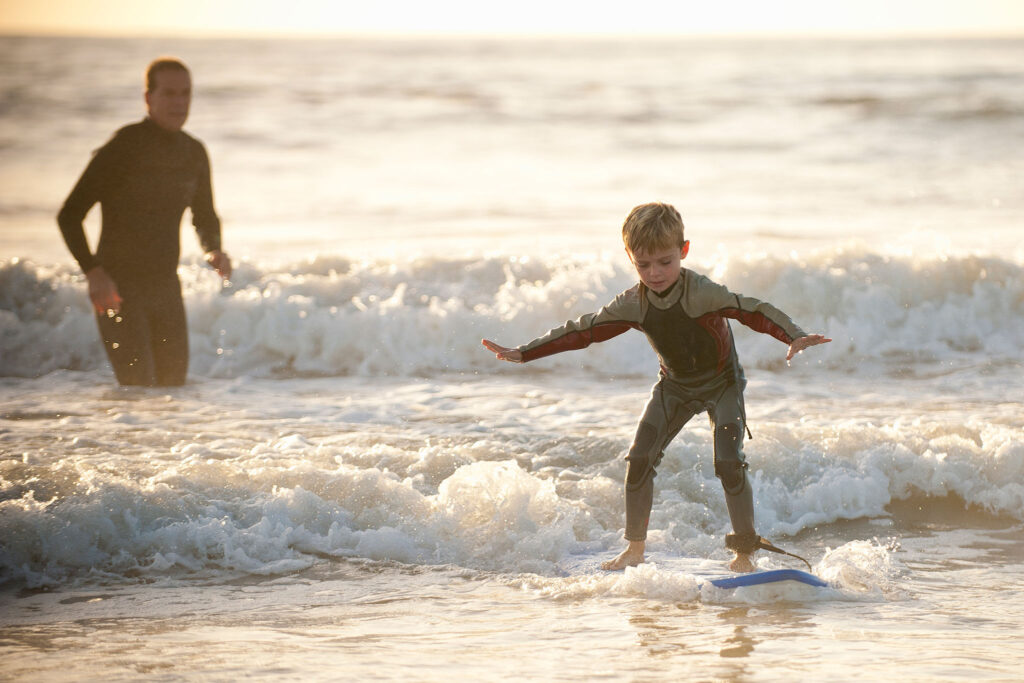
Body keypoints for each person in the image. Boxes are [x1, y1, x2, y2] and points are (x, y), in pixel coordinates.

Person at [482, 202, 830, 572]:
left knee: (728, 462)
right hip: (674, 387)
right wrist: (525, 353)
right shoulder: (634, 303)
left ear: (684, 251)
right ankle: (635, 549)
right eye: (643, 265)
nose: (655, 273)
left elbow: (753, 310)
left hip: (722, 384)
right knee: (639, 459)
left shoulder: (702, 292)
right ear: (630, 259)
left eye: (665, 261)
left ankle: (744, 554)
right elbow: (584, 330)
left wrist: (794, 335)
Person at [57, 57, 231, 387]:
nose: (179, 103)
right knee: (136, 390)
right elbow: (69, 215)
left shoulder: (194, 152)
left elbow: (205, 215)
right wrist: (93, 272)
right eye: (169, 94)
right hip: (119, 290)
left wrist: (214, 249)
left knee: (173, 394)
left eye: (185, 94)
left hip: (166, 289)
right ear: (148, 98)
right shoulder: (124, 147)